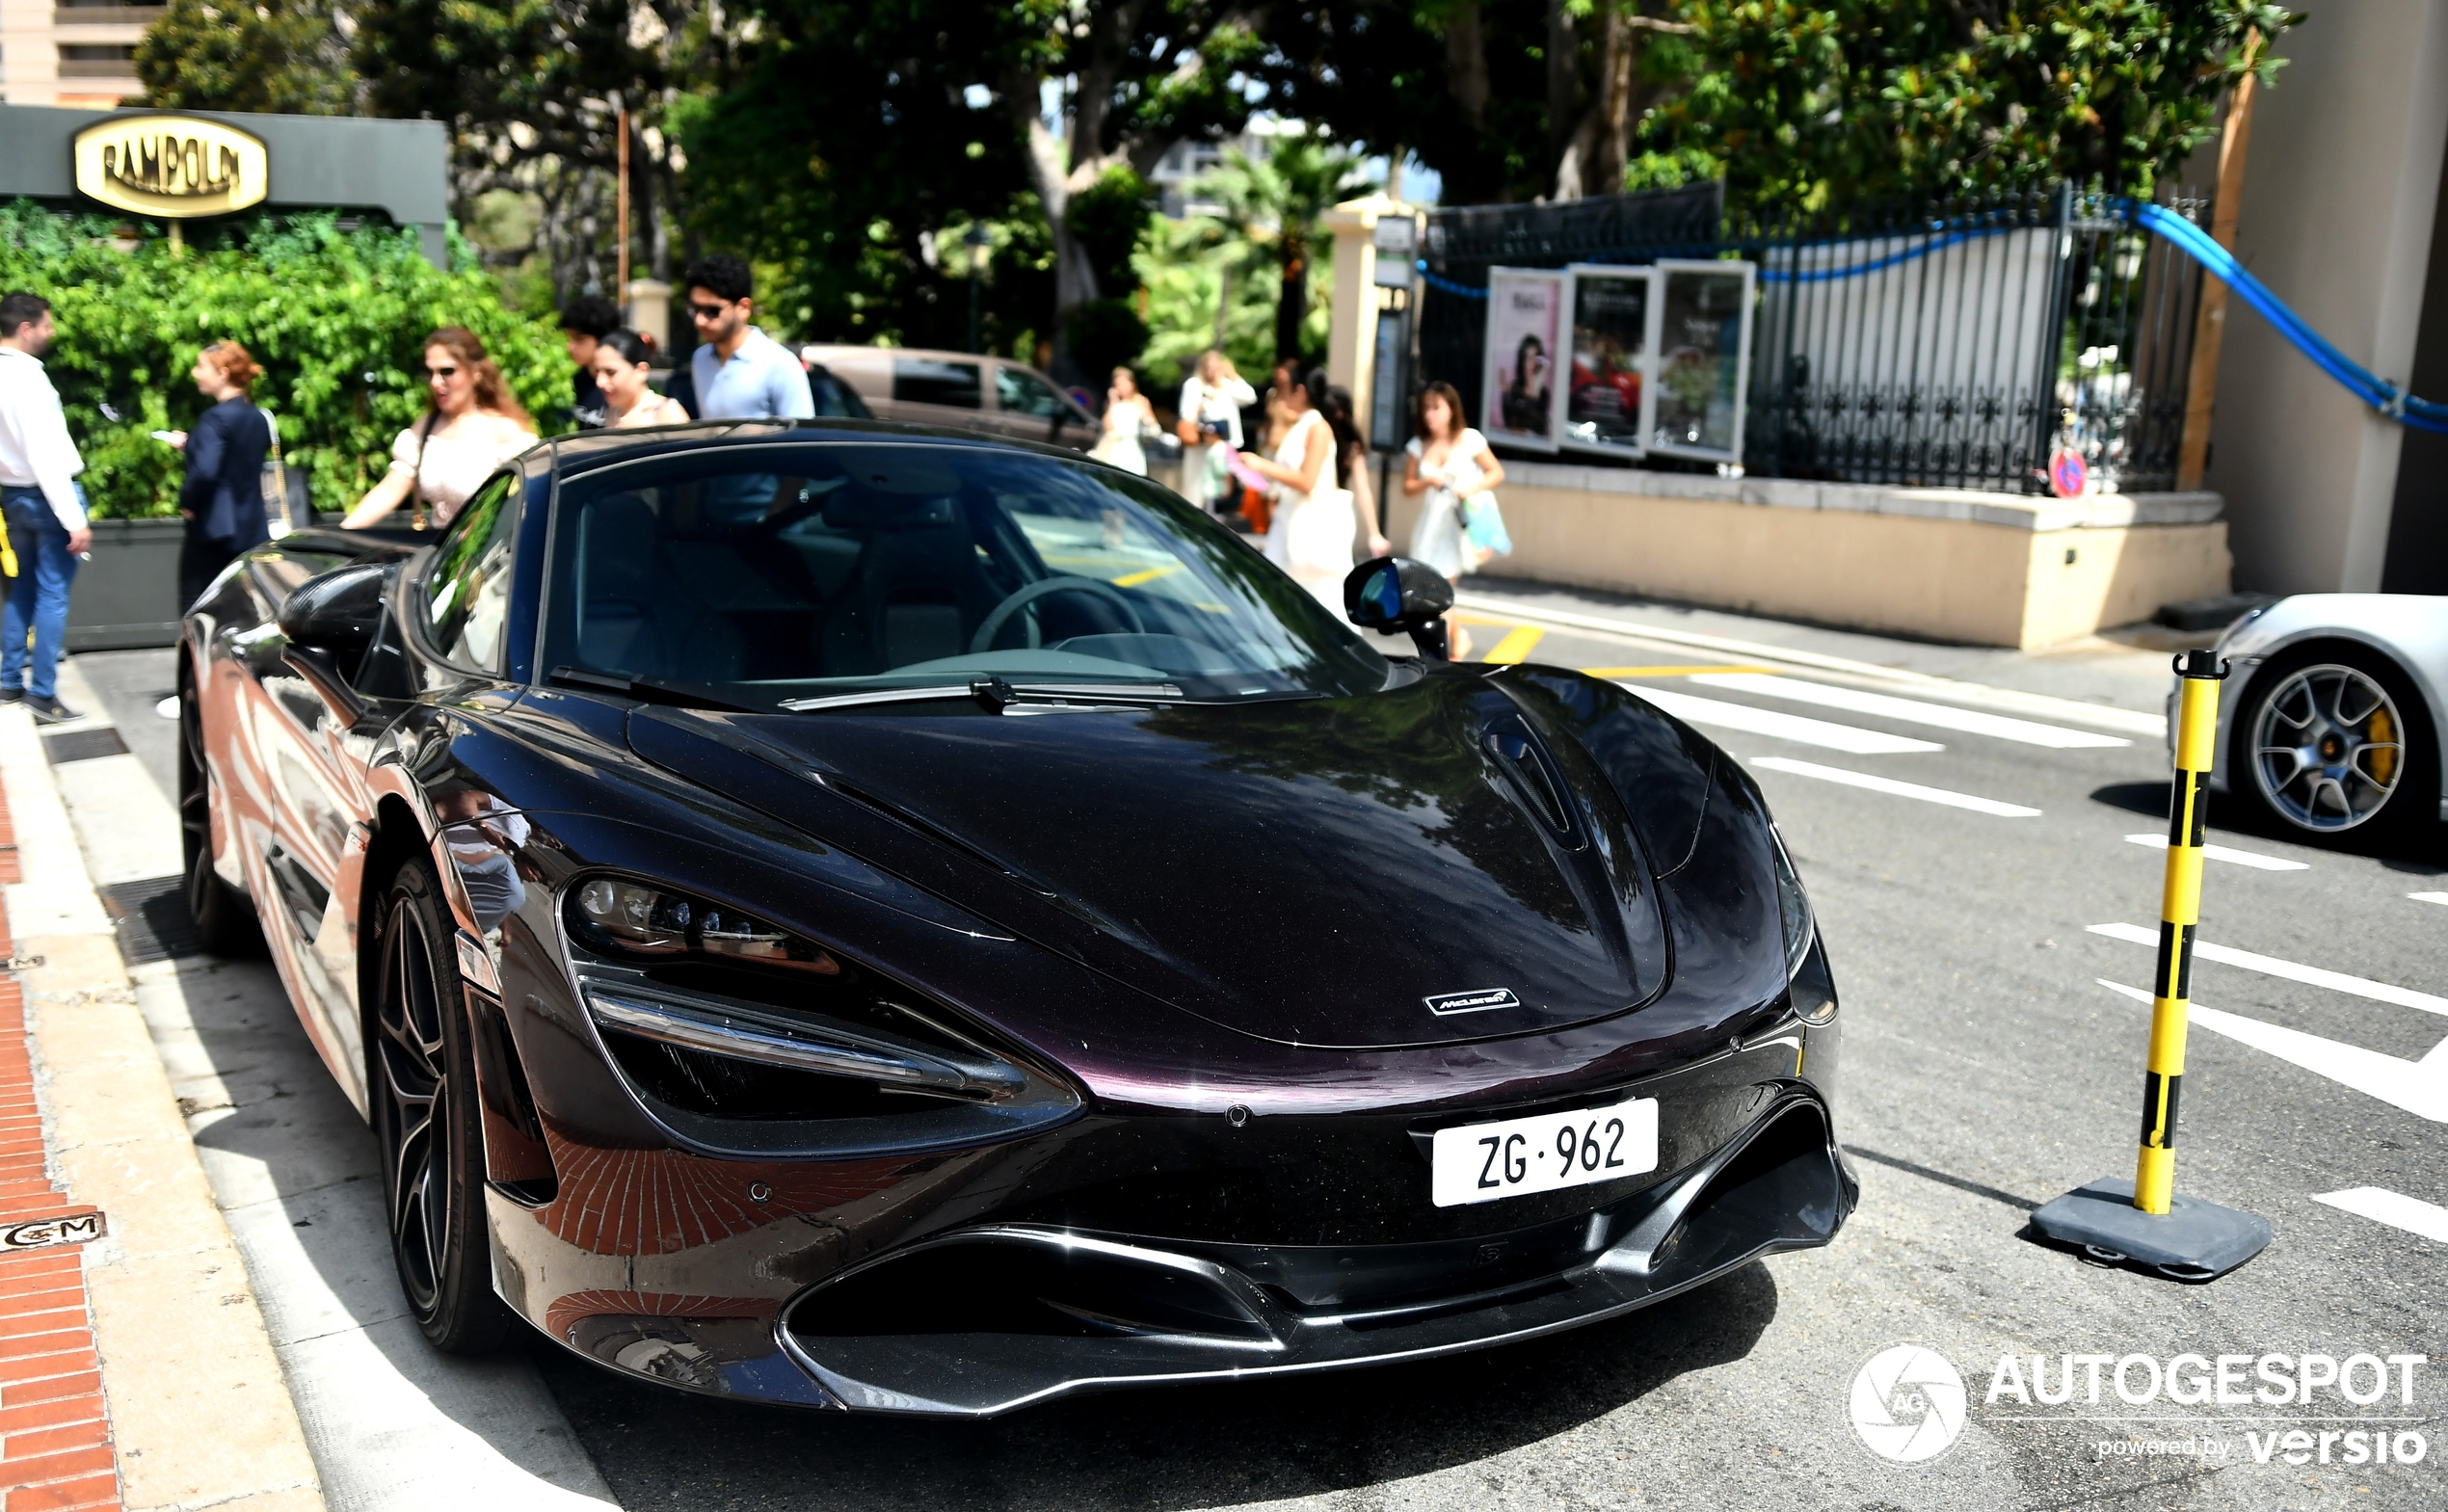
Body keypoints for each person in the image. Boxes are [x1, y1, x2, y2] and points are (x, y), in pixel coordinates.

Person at [342, 327, 537, 531]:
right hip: (441, 554)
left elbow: (527, 503)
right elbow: (391, 488)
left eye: (447, 371)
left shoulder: (505, 431)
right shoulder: (426, 427)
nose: (436, 382)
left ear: (476, 372)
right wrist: (340, 534)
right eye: (430, 372)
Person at [0, 293, 89, 723]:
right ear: (26, 327)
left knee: (23, 590)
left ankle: (8, 681)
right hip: (46, 494)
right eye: (47, 325)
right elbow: (45, 455)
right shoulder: (30, 379)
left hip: (12, 493)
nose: (51, 332)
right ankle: (43, 693)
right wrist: (75, 519)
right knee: (52, 595)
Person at [164, 340, 273, 610]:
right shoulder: (258, 417)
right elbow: (235, 458)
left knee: (199, 606)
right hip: (251, 526)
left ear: (222, 373)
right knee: (242, 606)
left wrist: (187, 502)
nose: (195, 373)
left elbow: (205, 472)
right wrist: (192, 444)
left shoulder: (214, 419)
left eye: (201, 367)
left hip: (214, 532)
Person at [1402, 381, 1505, 660]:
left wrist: (1470, 488)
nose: (1429, 414)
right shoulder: (1417, 444)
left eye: (1436, 407)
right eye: (1426, 408)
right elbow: (1407, 487)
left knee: (1441, 586)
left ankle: (1453, 646)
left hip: (1457, 525)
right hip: (1430, 525)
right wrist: (1428, 480)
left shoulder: (1469, 438)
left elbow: (1495, 472)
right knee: (1430, 588)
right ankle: (1458, 638)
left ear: (1451, 408)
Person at [1238, 366, 1352, 612]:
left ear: (1300, 391)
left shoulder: (1317, 427)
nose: (1280, 395)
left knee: (1317, 601)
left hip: (1309, 525)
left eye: (1284, 389)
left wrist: (1261, 465)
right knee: (1274, 594)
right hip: (1288, 519)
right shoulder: (1302, 425)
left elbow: (1307, 480)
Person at [683, 255, 814, 423]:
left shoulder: (780, 364)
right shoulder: (700, 360)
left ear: (744, 308)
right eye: (694, 309)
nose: (699, 320)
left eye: (712, 311)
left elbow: (801, 440)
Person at [1175, 350, 1255, 518]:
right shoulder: (1194, 385)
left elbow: (1250, 397)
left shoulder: (1226, 385)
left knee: (1221, 488)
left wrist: (1232, 375)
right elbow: (1187, 414)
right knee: (1194, 490)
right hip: (1200, 446)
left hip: (1221, 447)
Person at [1320, 385, 1393, 561]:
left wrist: (1374, 533)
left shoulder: (1350, 447)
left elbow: (1363, 489)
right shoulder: (1312, 432)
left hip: (1334, 511)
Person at [591, 329, 691, 428]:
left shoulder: (667, 413)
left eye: (611, 372)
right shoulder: (611, 412)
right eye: (597, 372)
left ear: (641, 371)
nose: (600, 382)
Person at [560, 295, 622, 429]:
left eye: (579, 339)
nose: (570, 347)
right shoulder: (581, 378)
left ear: (604, 339)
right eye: (569, 338)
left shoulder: (620, 383)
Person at [1090, 367, 1157, 476]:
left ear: (1132, 384)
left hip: (1132, 449)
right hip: (1113, 449)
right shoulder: (1113, 404)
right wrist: (1112, 402)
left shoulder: (1141, 401)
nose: (1120, 388)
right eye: (1117, 385)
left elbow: (1153, 426)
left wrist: (1145, 416)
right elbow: (1108, 427)